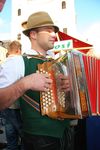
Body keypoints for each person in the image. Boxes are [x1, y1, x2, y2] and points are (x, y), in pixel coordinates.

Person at [0, 11, 71, 150]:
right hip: (38, 141)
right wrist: (25, 83)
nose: (54, 34)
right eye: (49, 30)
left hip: (66, 134)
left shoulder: (59, 61)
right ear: (33, 34)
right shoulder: (17, 62)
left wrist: (70, 87)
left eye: (54, 31)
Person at [2, 41, 23, 150]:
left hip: (5, 104)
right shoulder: (20, 60)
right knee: (22, 133)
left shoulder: (4, 63)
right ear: (18, 50)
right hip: (17, 104)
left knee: (10, 132)